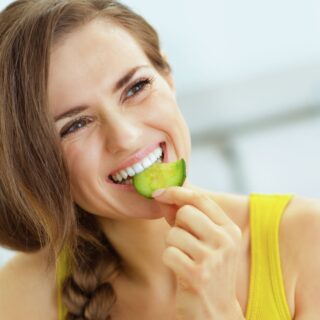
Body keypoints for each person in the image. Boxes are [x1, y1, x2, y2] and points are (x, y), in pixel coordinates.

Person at [0, 0, 319, 319]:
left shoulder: (306, 240)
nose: (125, 136)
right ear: (35, 161)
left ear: (167, 76)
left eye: (136, 87)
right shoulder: (18, 298)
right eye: (76, 124)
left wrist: (218, 310)